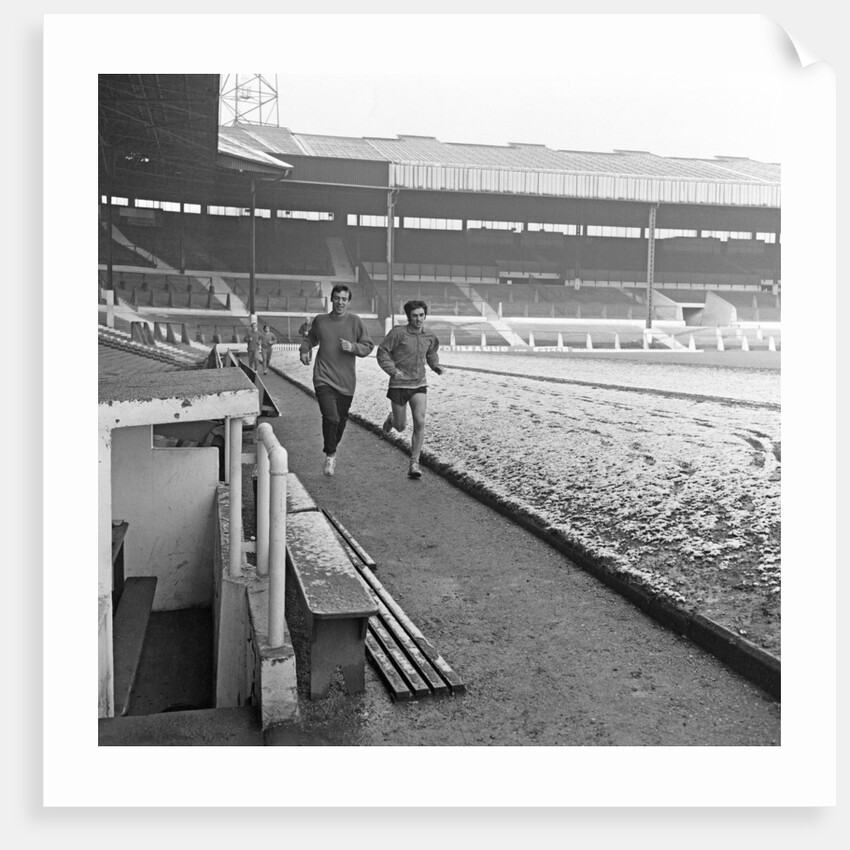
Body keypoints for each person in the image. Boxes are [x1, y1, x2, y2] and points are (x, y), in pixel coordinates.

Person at [299, 284, 374, 476]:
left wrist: (353, 347)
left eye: (344, 299)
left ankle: (332, 449)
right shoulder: (321, 321)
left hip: (346, 381)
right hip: (323, 376)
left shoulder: (355, 322)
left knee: (340, 420)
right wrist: (304, 350)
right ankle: (330, 455)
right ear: (331, 299)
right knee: (330, 417)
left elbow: (368, 346)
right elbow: (310, 339)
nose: (340, 302)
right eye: (337, 298)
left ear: (348, 302)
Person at [376, 300, 444, 479]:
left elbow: (431, 353)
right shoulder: (398, 333)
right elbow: (382, 351)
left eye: (421, 315)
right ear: (408, 317)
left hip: (419, 384)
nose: (418, 319)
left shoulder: (429, 335)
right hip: (399, 385)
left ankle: (414, 462)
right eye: (414, 316)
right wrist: (392, 370)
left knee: (420, 422)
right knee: (400, 426)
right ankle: (392, 419)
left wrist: (435, 366)